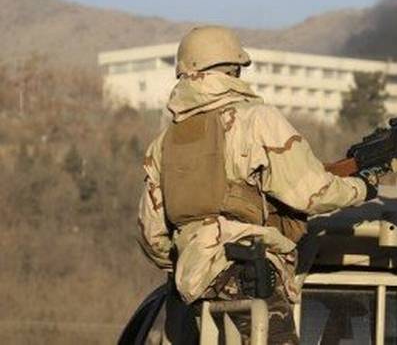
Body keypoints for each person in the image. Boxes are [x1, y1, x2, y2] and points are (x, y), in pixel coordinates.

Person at [137, 26, 381, 344]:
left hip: (193, 287)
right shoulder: (256, 121)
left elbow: (151, 237)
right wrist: (364, 187)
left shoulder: (163, 143)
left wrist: (192, 253)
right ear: (235, 69)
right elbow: (312, 192)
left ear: (185, 73)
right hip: (247, 272)